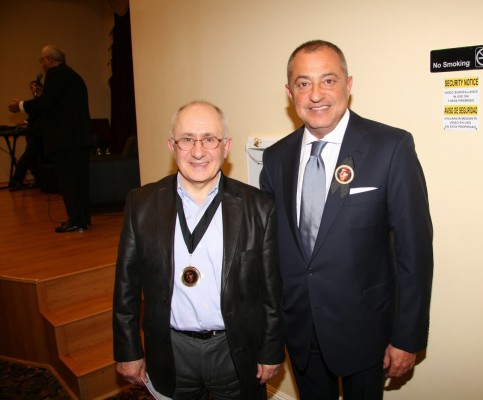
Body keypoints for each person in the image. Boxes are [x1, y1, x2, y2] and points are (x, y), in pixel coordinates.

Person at [260, 40, 434, 400]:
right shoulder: (275, 158)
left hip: (367, 330)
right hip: (301, 329)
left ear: (348, 85)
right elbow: (271, 253)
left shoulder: (391, 147)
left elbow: (414, 252)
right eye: (303, 83)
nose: (316, 94)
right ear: (290, 92)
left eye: (328, 80)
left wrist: (407, 336)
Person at [112, 101, 285, 400]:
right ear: (172, 146)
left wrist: (271, 350)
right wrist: (128, 350)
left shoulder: (259, 207)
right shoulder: (141, 204)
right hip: (170, 349)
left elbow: (272, 291)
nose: (198, 151)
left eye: (209, 139)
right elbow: (126, 287)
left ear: (226, 146)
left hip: (234, 349)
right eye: (187, 139)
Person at [8, 45, 93, 233]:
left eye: (42, 61)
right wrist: (42, 96)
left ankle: (75, 220)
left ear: (50, 60)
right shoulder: (73, 75)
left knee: (68, 181)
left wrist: (20, 105)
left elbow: (47, 102)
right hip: (79, 138)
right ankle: (83, 219)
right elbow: (58, 103)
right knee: (80, 181)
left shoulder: (56, 74)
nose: (42, 65)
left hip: (65, 140)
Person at [10, 80, 44, 191]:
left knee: (31, 157)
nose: (33, 89)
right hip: (34, 133)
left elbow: (38, 115)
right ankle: (17, 181)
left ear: (40, 87)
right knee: (29, 156)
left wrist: (25, 121)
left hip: (39, 133)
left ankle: (33, 180)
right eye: (31, 87)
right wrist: (26, 122)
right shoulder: (36, 100)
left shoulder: (42, 99)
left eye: (34, 87)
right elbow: (35, 116)